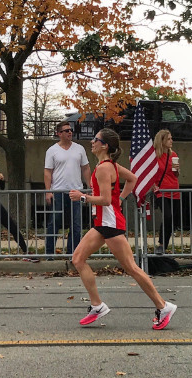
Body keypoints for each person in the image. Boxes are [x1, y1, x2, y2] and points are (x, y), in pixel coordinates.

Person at [69, 128, 177, 330]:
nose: (92, 142)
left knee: (132, 268)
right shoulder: (110, 165)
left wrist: (82, 197)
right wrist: (121, 197)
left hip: (109, 224)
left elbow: (105, 200)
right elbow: (133, 179)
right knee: (78, 259)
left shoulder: (104, 168)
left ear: (104, 145)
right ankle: (97, 305)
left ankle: (163, 306)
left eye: (95, 139)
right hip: (102, 223)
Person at [44, 122, 91, 259]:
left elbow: (86, 168)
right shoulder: (52, 150)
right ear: (59, 133)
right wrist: (48, 191)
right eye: (66, 131)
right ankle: (49, 254)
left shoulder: (80, 149)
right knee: (54, 223)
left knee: (76, 225)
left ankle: (73, 254)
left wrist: (89, 186)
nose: (70, 132)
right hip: (58, 191)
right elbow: (48, 171)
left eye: (71, 130)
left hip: (76, 192)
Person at [152, 129, 180, 254]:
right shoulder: (154, 155)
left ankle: (164, 245)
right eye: (168, 139)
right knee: (167, 215)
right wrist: (153, 186)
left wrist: (177, 169)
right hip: (161, 191)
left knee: (171, 218)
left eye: (171, 138)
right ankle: (161, 244)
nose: (171, 141)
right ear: (161, 141)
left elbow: (176, 175)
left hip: (174, 189)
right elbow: (149, 174)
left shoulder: (173, 155)